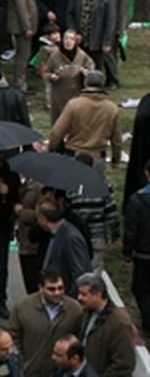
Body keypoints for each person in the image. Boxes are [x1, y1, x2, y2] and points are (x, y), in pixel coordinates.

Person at [7, 269, 84, 377]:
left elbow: (79, 339)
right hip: (30, 371)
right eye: (51, 289)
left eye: (60, 288)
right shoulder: (23, 307)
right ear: (40, 288)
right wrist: (21, 362)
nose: (57, 293)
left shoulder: (75, 310)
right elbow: (13, 337)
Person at [50, 71, 123, 172]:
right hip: (97, 157)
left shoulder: (74, 105)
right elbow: (116, 138)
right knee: (94, 186)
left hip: (75, 155)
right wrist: (116, 158)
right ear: (102, 84)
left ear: (86, 83)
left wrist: (51, 147)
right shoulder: (112, 108)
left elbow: (57, 131)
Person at [76, 272, 136, 377]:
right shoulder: (87, 313)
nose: (79, 298)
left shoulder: (119, 324)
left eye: (84, 294)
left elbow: (124, 364)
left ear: (98, 294)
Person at [39, 202, 92, 296]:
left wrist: (69, 299)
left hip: (64, 298)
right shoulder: (58, 233)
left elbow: (80, 273)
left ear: (43, 219)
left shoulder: (70, 237)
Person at [124, 158, 150, 335]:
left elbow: (131, 230)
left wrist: (127, 254)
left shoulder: (137, 200)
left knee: (141, 289)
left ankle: (148, 321)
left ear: (147, 174)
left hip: (144, 253)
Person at [8, 0, 41, 91]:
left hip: (24, 27)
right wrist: (27, 27)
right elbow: (21, 8)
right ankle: (19, 84)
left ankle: (22, 82)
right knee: (23, 56)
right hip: (21, 28)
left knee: (24, 56)